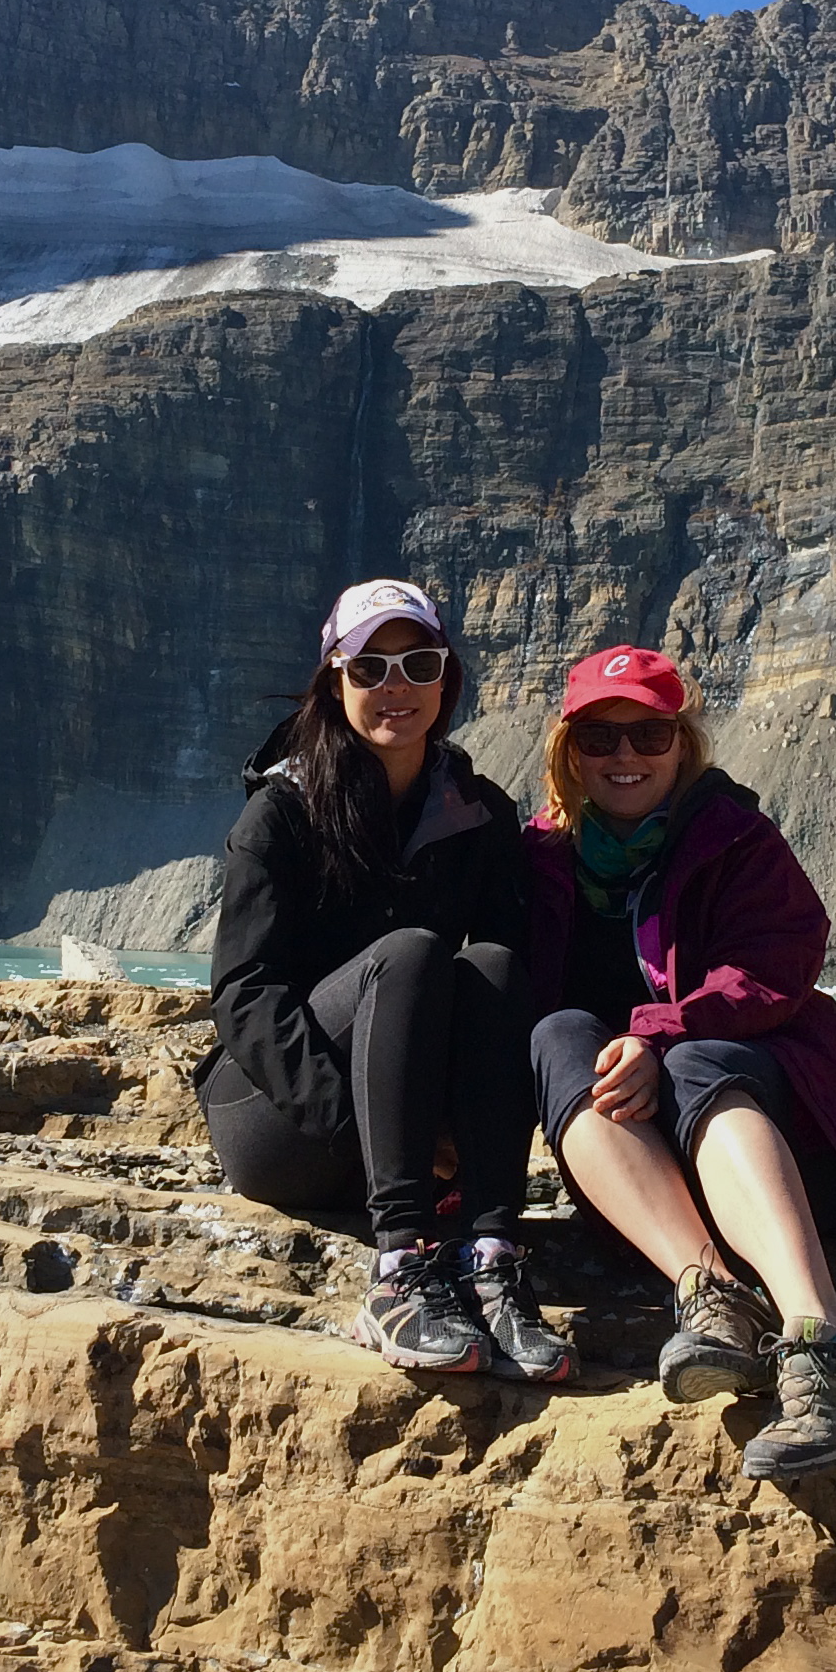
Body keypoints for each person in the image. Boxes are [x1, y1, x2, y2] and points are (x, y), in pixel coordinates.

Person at [525, 646, 836, 1478]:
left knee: (698, 1060)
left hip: (791, 1153)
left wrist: (656, 1033)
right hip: (647, 1178)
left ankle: (826, 1341)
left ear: (683, 743)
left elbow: (777, 966)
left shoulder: (736, 838)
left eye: (649, 734)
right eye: (601, 739)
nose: (626, 757)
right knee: (559, 1033)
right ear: (568, 751)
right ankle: (712, 1297)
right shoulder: (539, 859)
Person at [200, 578, 575, 1382]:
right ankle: (397, 1270)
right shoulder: (281, 813)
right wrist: (369, 1131)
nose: (394, 687)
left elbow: (498, 1007)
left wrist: (462, 1139)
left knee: (498, 964)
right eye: (369, 668)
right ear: (334, 681)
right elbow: (244, 992)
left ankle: (491, 1254)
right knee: (408, 953)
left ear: (448, 678)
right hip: (277, 1123)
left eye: (418, 663)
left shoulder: (481, 815)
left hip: (408, 1146)